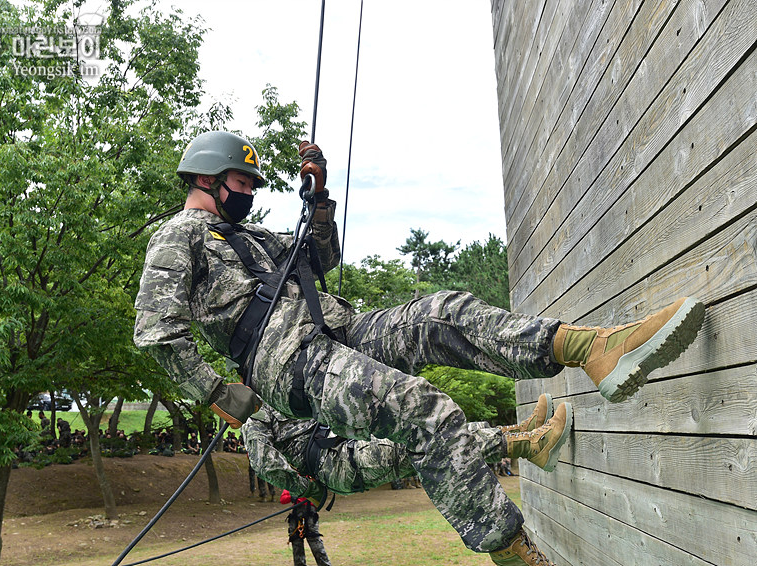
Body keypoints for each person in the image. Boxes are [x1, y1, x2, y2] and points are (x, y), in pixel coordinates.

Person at [134, 130, 705, 565]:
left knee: (443, 313)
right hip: (286, 361)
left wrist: (320, 195)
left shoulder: (254, 237)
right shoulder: (177, 236)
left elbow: (321, 259)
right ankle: (511, 550)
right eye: (243, 183)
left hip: (338, 329)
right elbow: (156, 332)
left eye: (255, 185)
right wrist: (218, 394)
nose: (251, 193)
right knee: (423, 409)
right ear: (207, 180)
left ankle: (590, 348)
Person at [242, 403, 550, 497]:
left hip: (351, 444)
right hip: (343, 462)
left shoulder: (276, 398)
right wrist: (309, 490)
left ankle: (516, 432)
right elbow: (267, 465)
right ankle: (525, 445)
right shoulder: (251, 422)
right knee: (430, 443)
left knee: (433, 432)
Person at [280, 488, 333, 566]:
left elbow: (321, 495)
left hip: (310, 515)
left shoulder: (313, 481)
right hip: (296, 515)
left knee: (314, 541)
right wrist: (291, 497)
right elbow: (283, 499)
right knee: (296, 542)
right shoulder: (293, 483)